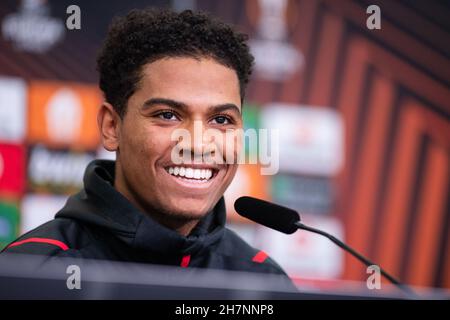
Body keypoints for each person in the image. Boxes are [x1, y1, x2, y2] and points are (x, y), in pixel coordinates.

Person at [2, 8, 294, 286]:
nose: (198, 143)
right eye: (167, 115)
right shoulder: (31, 271)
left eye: (221, 119)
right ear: (111, 126)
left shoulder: (264, 280)